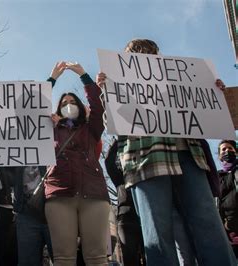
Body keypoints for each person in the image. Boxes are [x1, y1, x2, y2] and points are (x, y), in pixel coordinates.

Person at [96, 38, 236, 266]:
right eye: (139, 54)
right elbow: (113, 123)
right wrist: (107, 93)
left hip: (188, 155)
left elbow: (203, 112)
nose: (148, 57)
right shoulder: (119, 83)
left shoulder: (178, 80)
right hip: (145, 159)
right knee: (156, 230)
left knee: (208, 223)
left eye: (151, 53)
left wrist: (214, 92)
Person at [45, 61, 110, 266]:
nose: (68, 105)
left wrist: (84, 75)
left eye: (72, 101)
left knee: (97, 257)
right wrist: (52, 79)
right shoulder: (50, 130)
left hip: (94, 194)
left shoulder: (91, 129)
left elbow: (98, 106)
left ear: (81, 107)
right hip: (59, 194)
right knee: (63, 258)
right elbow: (34, 105)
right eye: (63, 103)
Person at [217, 140, 238, 258]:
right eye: (223, 149)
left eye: (230, 148)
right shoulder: (216, 176)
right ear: (219, 156)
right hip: (228, 232)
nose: (227, 151)